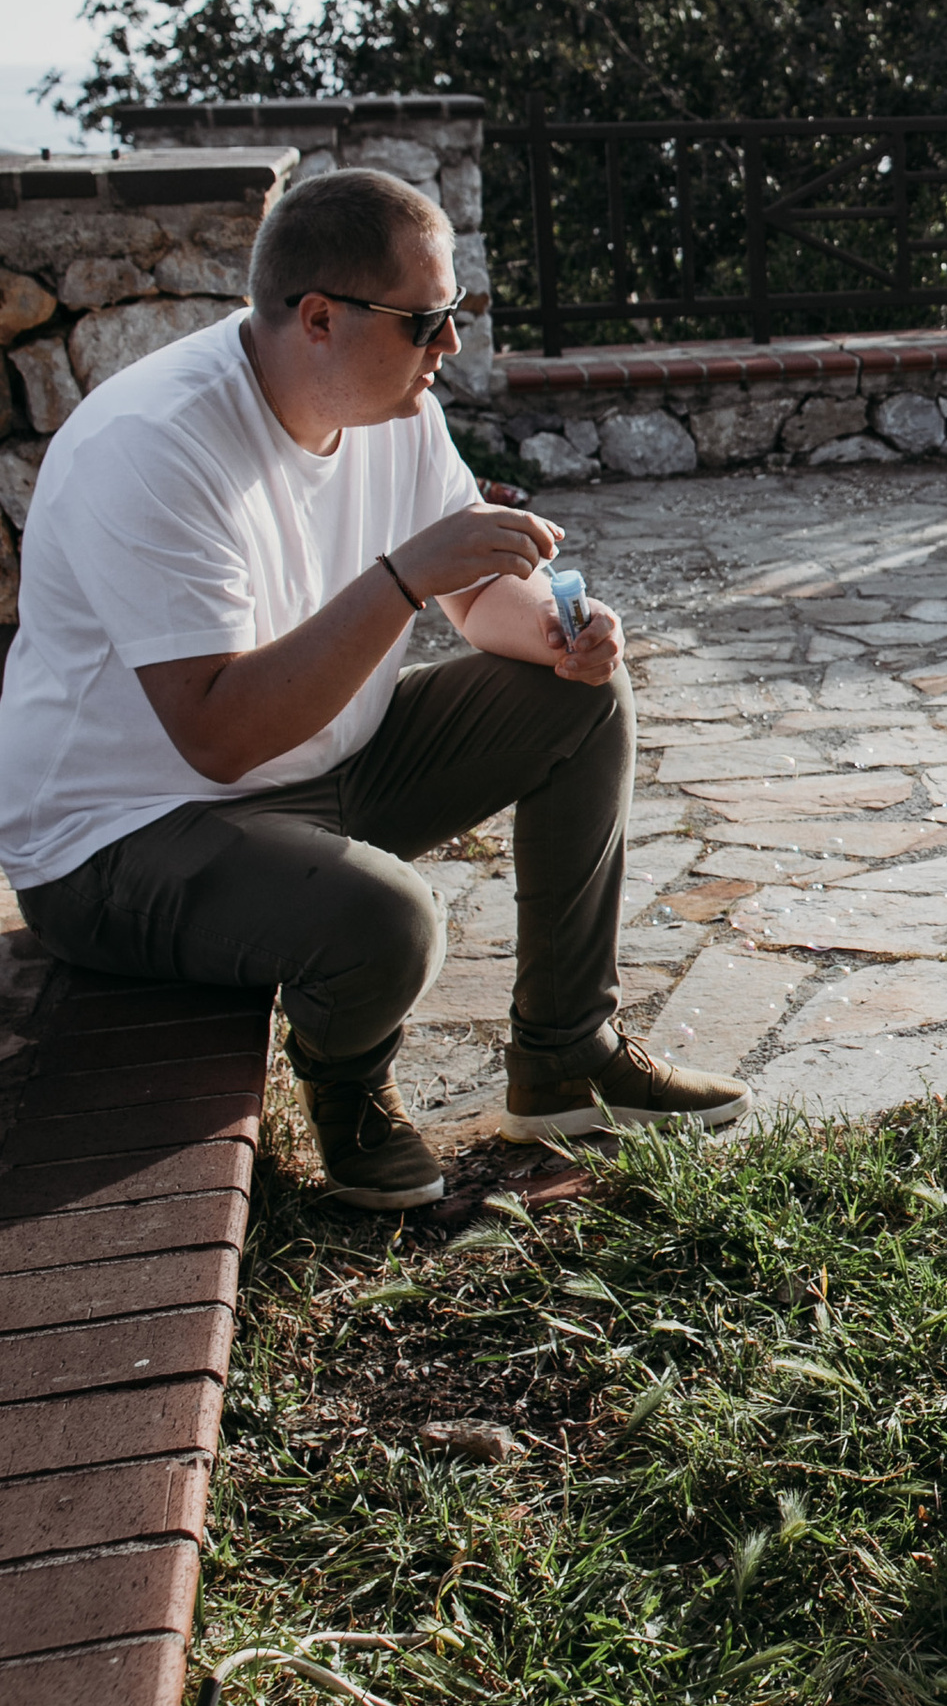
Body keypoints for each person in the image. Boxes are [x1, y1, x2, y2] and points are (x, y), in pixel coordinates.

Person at [0, 162, 746, 1209]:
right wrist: (400, 581)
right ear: (318, 318)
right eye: (427, 321)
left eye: (455, 316)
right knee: (392, 923)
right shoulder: (155, 447)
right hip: (123, 838)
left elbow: (481, 596)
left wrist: (559, 636)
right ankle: (348, 1095)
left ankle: (565, 1059)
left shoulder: (392, 404)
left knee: (578, 703)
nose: (449, 346)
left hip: (315, 768)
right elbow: (217, 737)